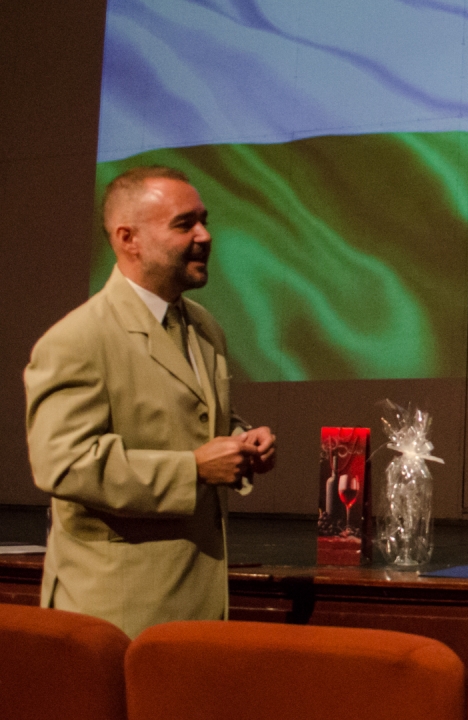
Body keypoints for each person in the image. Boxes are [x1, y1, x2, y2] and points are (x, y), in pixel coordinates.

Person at [25, 166, 276, 638]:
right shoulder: (77, 339)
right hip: (116, 612)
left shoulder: (204, 326)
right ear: (129, 239)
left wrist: (241, 441)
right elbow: (63, 463)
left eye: (204, 220)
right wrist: (193, 469)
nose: (204, 236)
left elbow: (190, 418)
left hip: (195, 605)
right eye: (184, 224)